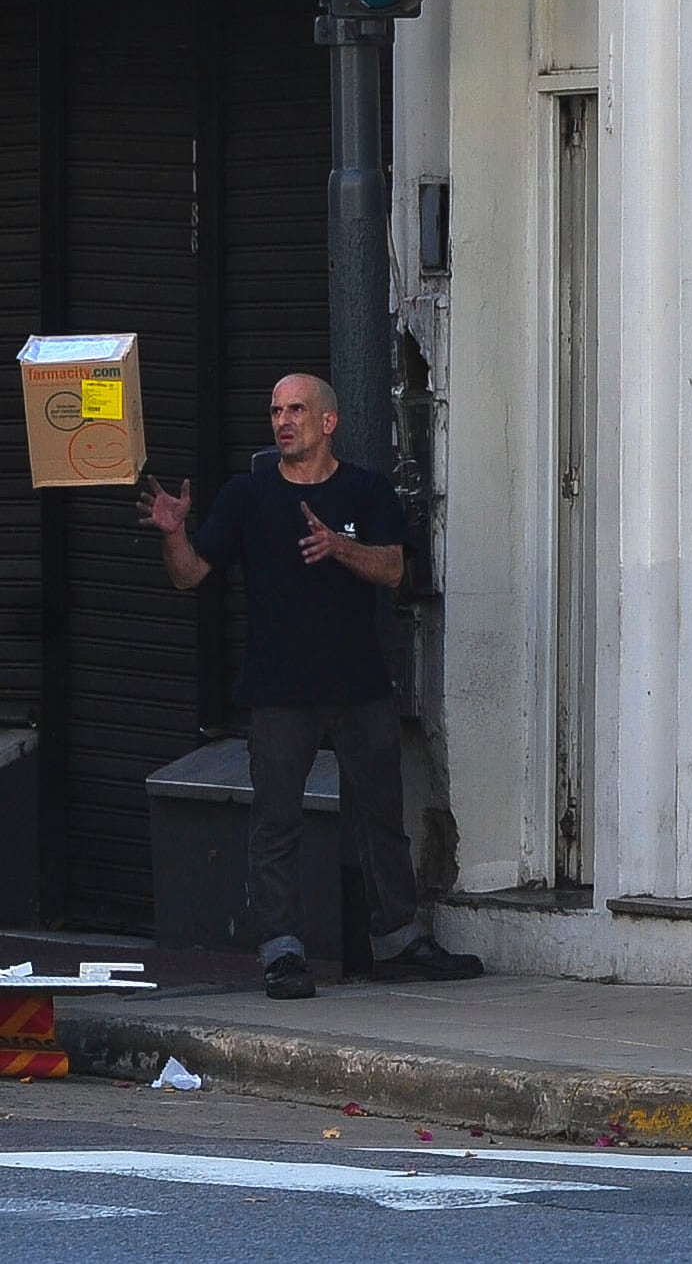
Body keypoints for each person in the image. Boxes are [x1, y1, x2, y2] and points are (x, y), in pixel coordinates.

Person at [137, 375, 483, 1001]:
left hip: (359, 684)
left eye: (296, 409)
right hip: (278, 689)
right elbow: (190, 576)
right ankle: (282, 952)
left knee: (381, 816)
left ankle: (398, 942)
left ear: (329, 422)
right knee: (275, 822)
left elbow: (393, 568)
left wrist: (339, 546)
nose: (283, 421)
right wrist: (173, 534)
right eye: (275, 410)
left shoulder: (366, 489)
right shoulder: (247, 495)